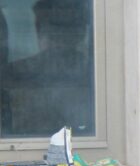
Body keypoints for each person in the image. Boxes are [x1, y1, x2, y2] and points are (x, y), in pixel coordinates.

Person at [0, 0, 94, 137]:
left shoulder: (96, 79)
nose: (59, 35)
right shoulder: (12, 75)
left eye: (67, 27)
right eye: (52, 27)